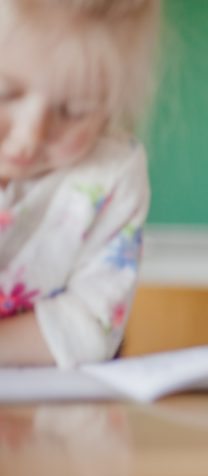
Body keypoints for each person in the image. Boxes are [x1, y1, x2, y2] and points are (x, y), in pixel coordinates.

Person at [0, 0, 162, 367]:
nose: (30, 136)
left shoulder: (111, 173)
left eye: (75, 110)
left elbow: (89, 328)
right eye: (4, 94)